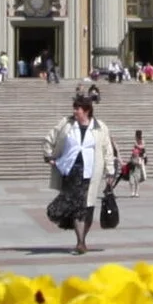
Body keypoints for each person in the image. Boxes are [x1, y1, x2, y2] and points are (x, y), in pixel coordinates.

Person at [44, 92, 117, 256]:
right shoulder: (66, 124)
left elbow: (107, 150)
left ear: (86, 110)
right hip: (70, 171)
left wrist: (110, 171)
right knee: (75, 207)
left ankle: (81, 241)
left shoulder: (100, 127)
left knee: (88, 207)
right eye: (75, 108)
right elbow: (50, 138)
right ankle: (80, 242)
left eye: (78, 108)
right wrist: (48, 155)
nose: (75, 111)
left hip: (91, 173)